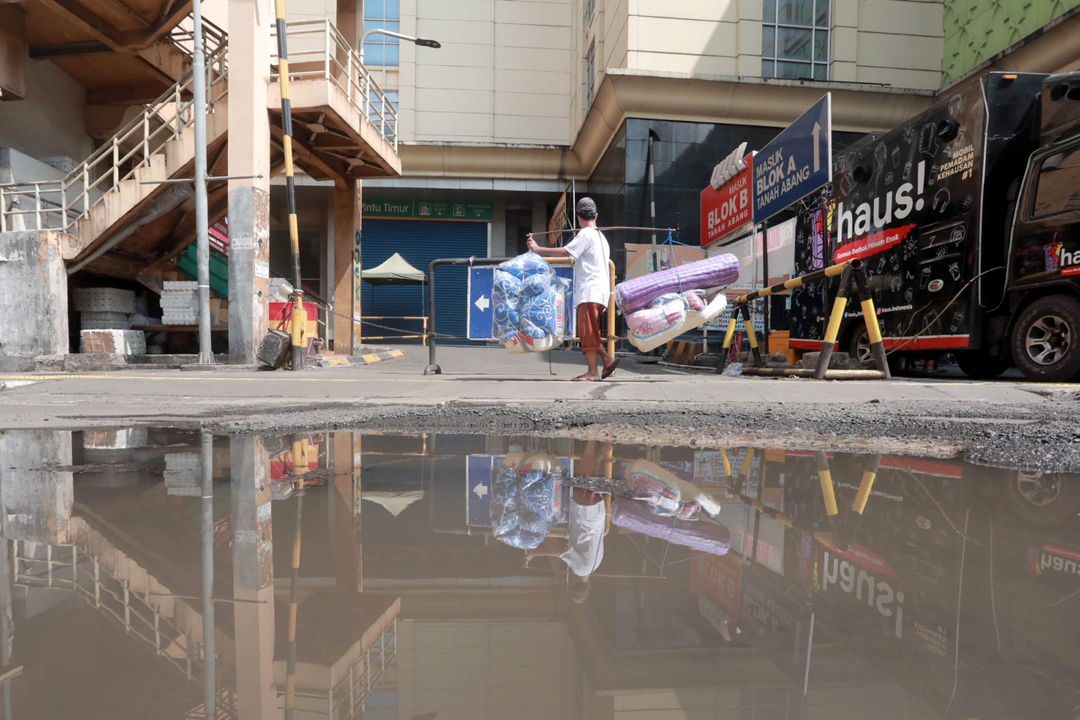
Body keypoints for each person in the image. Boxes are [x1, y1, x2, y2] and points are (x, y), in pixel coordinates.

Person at [527, 197, 618, 381]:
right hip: (599, 291)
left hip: (589, 291)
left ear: (578, 217)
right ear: (596, 215)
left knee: (587, 332)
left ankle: (594, 371)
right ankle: (607, 360)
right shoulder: (601, 237)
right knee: (589, 331)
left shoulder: (586, 234)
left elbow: (566, 251)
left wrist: (538, 248)